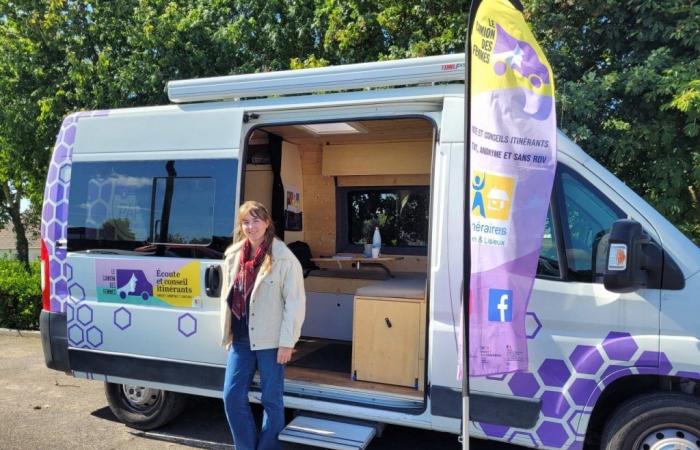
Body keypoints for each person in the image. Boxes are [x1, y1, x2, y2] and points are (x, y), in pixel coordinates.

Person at [220, 200, 306, 450]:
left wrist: (287, 342)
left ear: (267, 223)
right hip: (240, 339)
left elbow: (295, 303)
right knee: (232, 396)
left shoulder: (284, 258)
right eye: (246, 222)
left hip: (271, 340)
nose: (251, 226)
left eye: (256, 220)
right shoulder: (234, 255)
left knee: (272, 399)